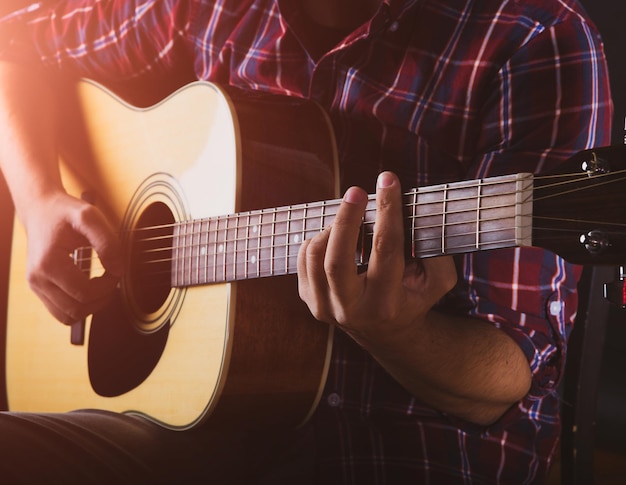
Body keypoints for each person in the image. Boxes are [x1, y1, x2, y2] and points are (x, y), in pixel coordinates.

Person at [0, 0, 613, 483]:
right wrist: (40, 199)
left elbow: (505, 379)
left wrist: (396, 333)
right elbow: (14, 41)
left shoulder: (533, 36)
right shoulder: (205, 7)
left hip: (394, 445)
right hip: (176, 433)